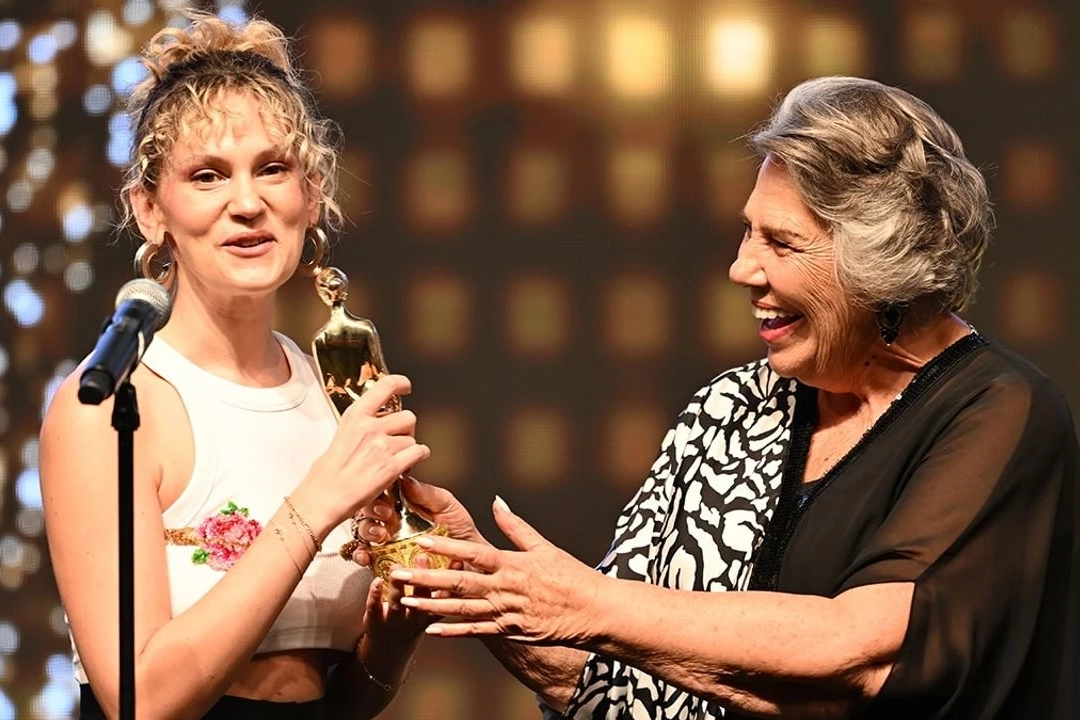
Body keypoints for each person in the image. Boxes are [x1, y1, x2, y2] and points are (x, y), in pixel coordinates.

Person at [355, 77, 1080, 719]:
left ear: (881, 262)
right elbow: (618, 689)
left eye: (781, 243)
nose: (742, 268)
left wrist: (584, 602)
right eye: (746, 232)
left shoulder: (1000, 412)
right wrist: (480, 577)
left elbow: (860, 657)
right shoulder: (731, 407)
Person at [40, 12, 434, 719]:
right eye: (207, 176)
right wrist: (316, 503)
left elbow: (334, 700)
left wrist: (391, 639)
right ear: (150, 209)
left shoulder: (334, 394)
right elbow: (143, 700)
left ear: (312, 193)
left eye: (273, 169)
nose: (247, 204)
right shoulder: (113, 406)